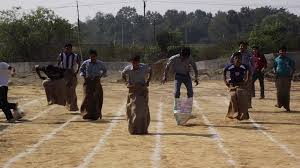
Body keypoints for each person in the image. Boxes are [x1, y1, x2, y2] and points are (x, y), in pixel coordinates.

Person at [162, 47, 198, 125]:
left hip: (187, 76)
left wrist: (196, 77)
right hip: (178, 76)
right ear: (181, 54)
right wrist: (165, 76)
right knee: (177, 93)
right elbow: (167, 67)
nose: (185, 58)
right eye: (183, 57)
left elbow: (194, 67)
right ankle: (177, 111)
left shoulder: (190, 58)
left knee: (190, 93)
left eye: (186, 57)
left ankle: (188, 111)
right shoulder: (174, 58)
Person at [121, 55, 152, 135]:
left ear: (139, 62)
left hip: (142, 90)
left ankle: (143, 129)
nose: (135, 64)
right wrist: (126, 83)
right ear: (132, 62)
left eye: (137, 63)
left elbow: (150, 70)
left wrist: (148, 81)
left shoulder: (144, 67)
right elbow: (123, 74)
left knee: (143, 110)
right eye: (133, 63)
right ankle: (133, 129)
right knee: (133, 110)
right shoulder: (128, 68)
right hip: (133, 90)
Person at [80, 49, 107, 120]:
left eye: (94, 56)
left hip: (96, 81)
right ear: (90, 56)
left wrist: (101, 76)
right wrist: (84, 76)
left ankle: (96, 114)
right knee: (87, 97)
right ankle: (85, 113)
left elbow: (105, 70)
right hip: (87, 81)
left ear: (96, 56)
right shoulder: (86, 63)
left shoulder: (100, 63)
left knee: (97, 97)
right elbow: (81, 69)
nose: (93, 58)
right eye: (91, 57)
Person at [224, 52, 250, 120]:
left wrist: (247, 80)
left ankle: (243, 114)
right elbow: (224, 70)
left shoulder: (244, 66)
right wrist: (225, 81)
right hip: (232, 85)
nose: (238, 60)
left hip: (241, 84)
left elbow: (249, 71)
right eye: (236, 58)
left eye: (239, 58)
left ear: (241, 59)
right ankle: (235, 112)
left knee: (241, 96)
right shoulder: (230, 66)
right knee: (233, 96)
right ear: (233, 59)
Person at [230, 41, 254, 108]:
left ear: (246, 47)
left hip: (246, 72)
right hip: (238, 73)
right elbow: (231, 62)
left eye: (244, 46)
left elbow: (253, 64)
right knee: (238, 88)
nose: (242, 47)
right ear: (239, 46)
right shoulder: (235, 54)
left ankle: (248, 104)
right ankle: (238, 103)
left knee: (248, 88)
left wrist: (251, 72)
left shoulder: (249, 54)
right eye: (241, 46)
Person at [57, 43, 81, 111]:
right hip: (64, 73)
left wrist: (76, 71)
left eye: (69, 48)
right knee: (65, 89)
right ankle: (68, 103)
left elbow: (79, 63)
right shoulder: (61, 55)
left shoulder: (75, 56)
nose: (68, 50)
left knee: (72, 89)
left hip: (71, 73)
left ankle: (74, 106)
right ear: (64, 48)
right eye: (67, 48)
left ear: (71, 49)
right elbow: (58, 63)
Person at [274, 46, 295, 112]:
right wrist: (275, 73)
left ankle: (287, 106)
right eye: (280, 51)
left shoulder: (289, 60)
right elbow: (274, 67)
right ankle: (279, 104)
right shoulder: (276, 59)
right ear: (278, 52)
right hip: (279, 77)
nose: (282, 52)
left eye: (283, 51)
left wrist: (291, 75)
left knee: (286, 92)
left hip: (287, 77)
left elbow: (293, 67)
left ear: (285, 52)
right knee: (279, 91)